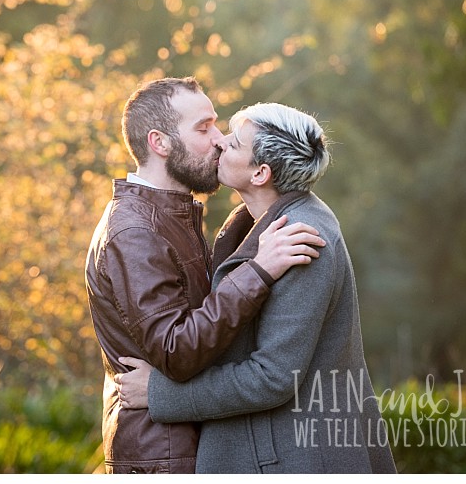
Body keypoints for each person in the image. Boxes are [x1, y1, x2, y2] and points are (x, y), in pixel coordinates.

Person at [115, 102, 397, 474]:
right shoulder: (255, 223)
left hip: (293, 462)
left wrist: (159, 393)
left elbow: (273, 377)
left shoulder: (302, 238)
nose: (220, 144)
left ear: (261, 172)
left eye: (234, 144)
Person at [85, 78, 327, 474]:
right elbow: (176, 352)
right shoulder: (135, 233)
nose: (218, 139)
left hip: (180, 444)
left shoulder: (170, 215)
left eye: (217, 125)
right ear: (159, 143)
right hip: (161, 456)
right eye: (203, 128)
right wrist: (259, 271)